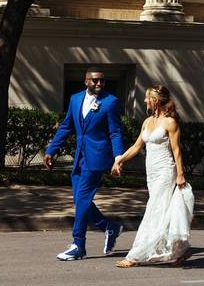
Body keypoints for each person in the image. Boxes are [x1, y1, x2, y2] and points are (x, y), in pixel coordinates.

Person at [44, 69, 125, 261]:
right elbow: (66, 126)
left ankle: (78, 244)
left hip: (97, 157)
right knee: (80, 199)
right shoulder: (75, 99)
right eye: (95, 81)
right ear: (86, 81)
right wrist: (50, 150)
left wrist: (118, 157)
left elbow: (115, 132)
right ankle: (109, 227)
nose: (99, 84)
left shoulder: (110, 102)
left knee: (82, 198)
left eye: (102, 81)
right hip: (79, 156)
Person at [112, 85, 193, 267]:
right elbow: (136, 146)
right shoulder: (147, 122)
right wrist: (120, 160)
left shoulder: (170, 122)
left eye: (147, 98)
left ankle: (135, 256)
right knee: (164, 212)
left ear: (155, 100)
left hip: (165, 172)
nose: (145, 101)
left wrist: (180, 174)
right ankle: (181, 250)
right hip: (152, 173)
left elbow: (176, 150)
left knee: (154, 210)